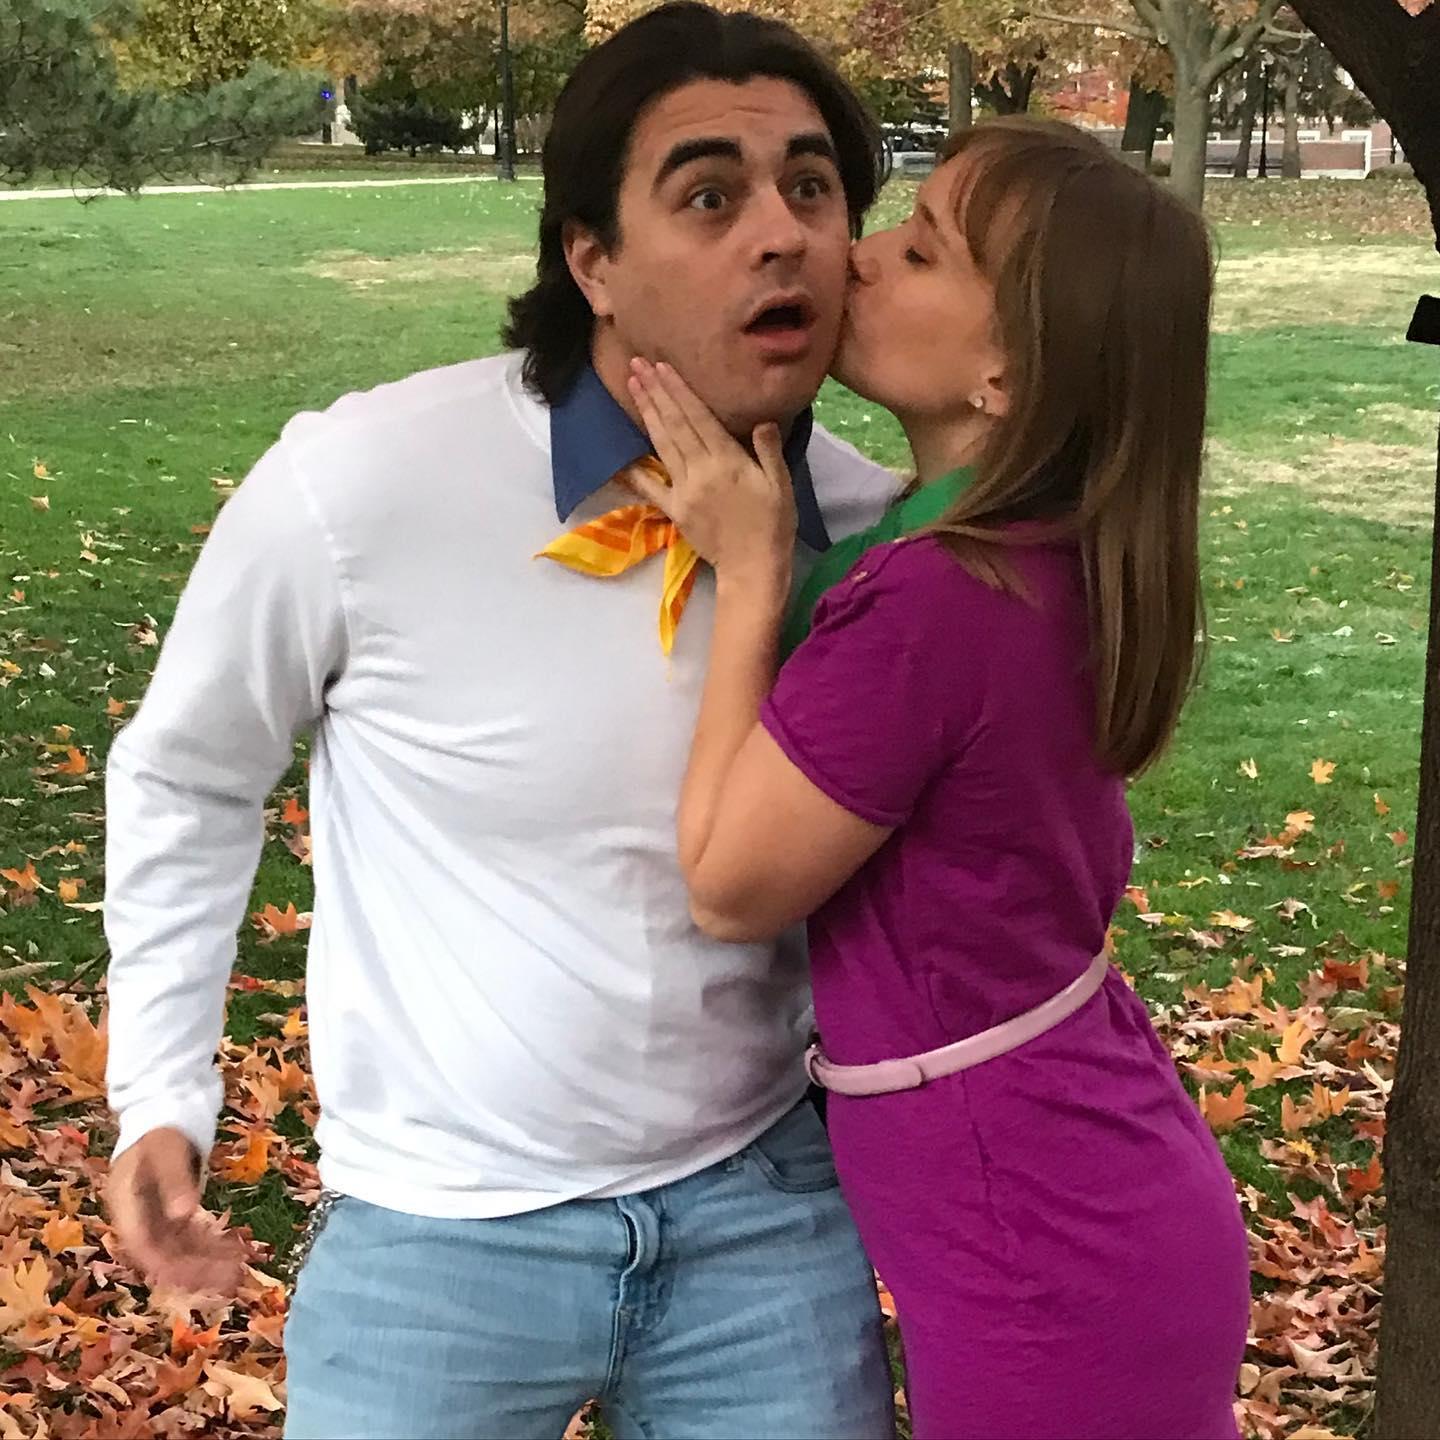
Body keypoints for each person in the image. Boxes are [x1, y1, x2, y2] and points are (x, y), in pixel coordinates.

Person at [100, 7, 900, 1437]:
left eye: (811, 186)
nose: (780, 234)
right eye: (709, 196)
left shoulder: (870, 532)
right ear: (592, 260)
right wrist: (161, 1088)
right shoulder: (363, 485)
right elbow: (189, 775)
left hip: (764, 1219)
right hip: (437, 1239)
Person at [624, 117, 1252, 1440]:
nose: (858, 255)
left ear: (1007, 372)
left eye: (921, 252)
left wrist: (753, 573)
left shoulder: (939, 601)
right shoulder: (1039, 547)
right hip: (1080, 1189)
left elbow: (730, 884)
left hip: (1040, 1250)